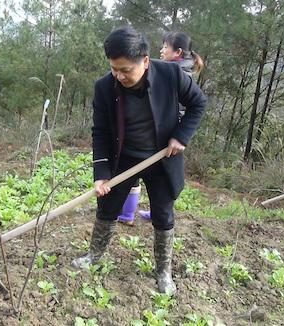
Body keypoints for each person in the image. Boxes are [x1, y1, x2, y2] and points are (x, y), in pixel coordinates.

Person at [71, 26, 207, 294]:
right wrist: (101, 173)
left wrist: (181, 136)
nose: (118, 75)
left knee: (163, 215)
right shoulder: (104, 87)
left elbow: (198, 103)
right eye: (114, 69)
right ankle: (93, 256)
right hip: (124, 157)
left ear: (145, 61)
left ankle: (163, 272)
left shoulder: (170, 75)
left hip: (162, 158)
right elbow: (99, 132)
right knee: (107, 209)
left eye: (125, 70)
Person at [119, 31, 205, 223]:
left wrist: (180, 136)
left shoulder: (177, 73)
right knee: (136, 173)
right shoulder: (173, 69)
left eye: (166, 47)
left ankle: (143, 213)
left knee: (162, 180)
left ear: (178, 52)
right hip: (156, 136)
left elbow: (193, 105)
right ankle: (128, 213)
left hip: (166, 137)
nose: (161, 50)